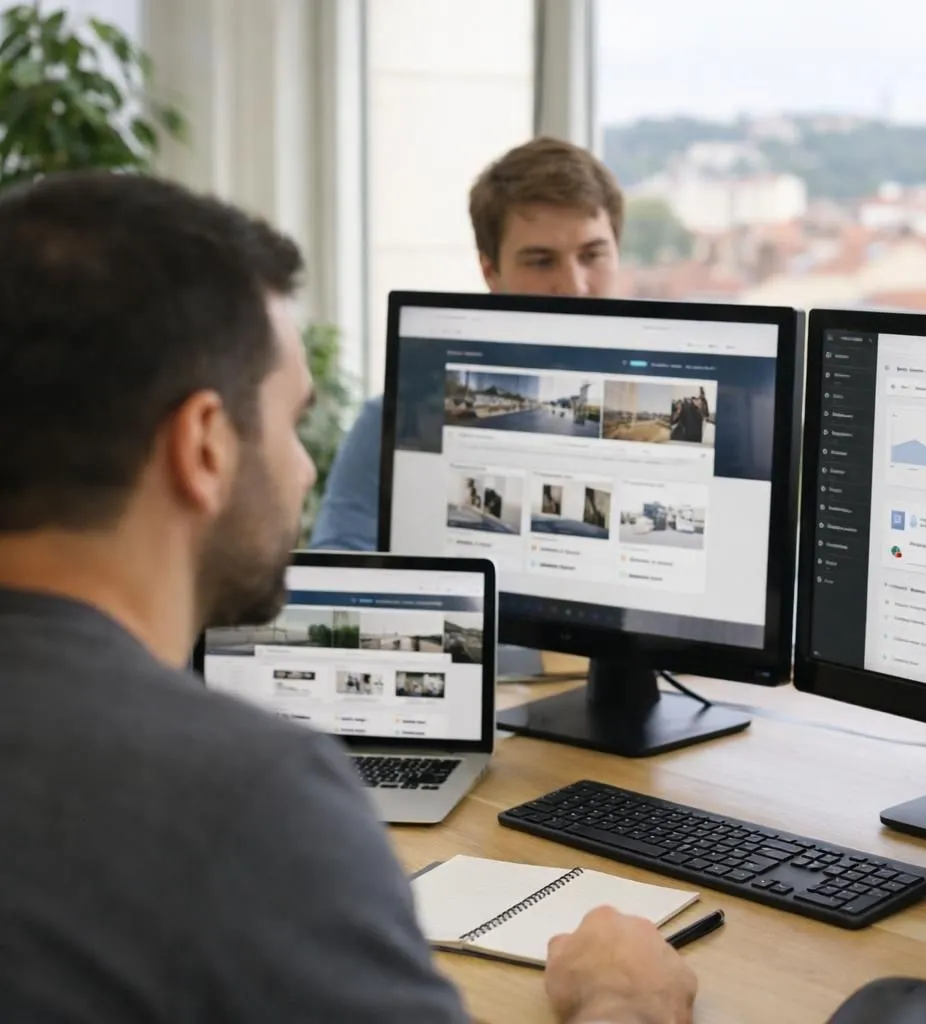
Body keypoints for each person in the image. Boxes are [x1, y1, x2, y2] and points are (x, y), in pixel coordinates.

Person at [0, 172, 694, 1024]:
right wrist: (625, 999)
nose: (302, 469)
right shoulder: (245, 803)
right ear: (204, 447)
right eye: (291, 422)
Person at [311, 136, 625, 551]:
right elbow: (342, 569)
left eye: (592, 255)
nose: (574, 286)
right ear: (490, 271)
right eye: (541, 260)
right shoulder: (393, 423)